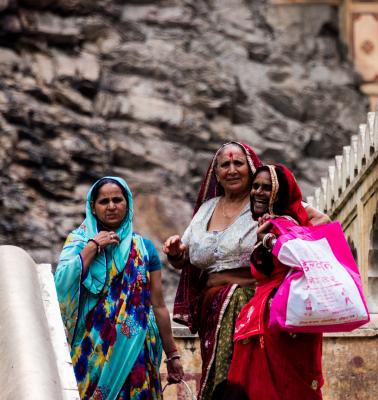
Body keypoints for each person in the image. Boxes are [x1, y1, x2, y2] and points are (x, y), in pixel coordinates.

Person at [162, 142, 329, 399]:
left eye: (238, 163)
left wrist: (280, 240)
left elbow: (320, 221)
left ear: (251, 168)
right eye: (225, 165)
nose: (232, 170)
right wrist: (176, 253)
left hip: (252, 311)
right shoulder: (207, 209)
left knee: (245, 387)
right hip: (212, 312)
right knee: (220, 386)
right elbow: (188, 259)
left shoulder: (265, 202)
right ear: (215, 173)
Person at [54, 176, 183, 400]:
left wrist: (172, 356)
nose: (112, 206)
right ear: (93, 207)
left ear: (127, 203)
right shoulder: (78, 241)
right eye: (104, 201)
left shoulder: (143, 247)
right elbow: (61, 282)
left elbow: (159, 304)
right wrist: (94, 246)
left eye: (117, 200)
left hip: (135, 350)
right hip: (91, 348)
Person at [225, 164, 324, 400]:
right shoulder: (274, 224)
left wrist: (270, 240)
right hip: (267, 323)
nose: (258, 192)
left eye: (267, 188)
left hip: (280, 325)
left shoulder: (285, 225)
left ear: (279, 195)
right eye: (255, 186)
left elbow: (302, 258)